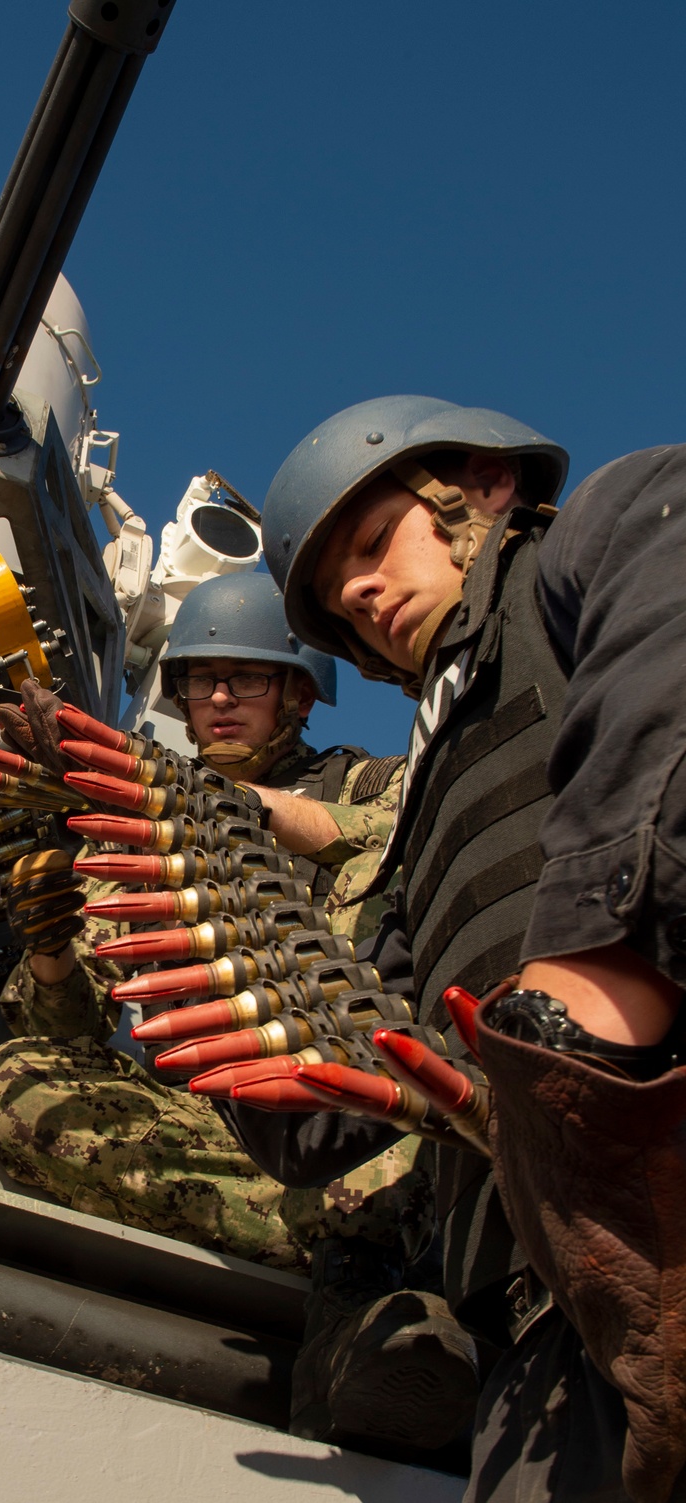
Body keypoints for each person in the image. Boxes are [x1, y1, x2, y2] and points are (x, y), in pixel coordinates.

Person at [214, 393, 686, 1501]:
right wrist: (192, 949)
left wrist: (584, 1013)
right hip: (534, 1328)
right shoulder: (424, 805)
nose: (364, 594)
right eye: (339, 598)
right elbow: (329, 1110)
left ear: (477, 488)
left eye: (375, 546)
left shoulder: (602, 532)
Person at [0, 571, 479, 1448]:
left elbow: (437, 809)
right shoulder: (127, 828)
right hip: (228, 1132)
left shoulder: (371, 784)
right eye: (202, 680)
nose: (218, 698)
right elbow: (77, 1028)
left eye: (245, 677)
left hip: (363, 1106)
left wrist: (261, 815)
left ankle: (379, 1223)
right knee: (15, 1084)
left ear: (296, 691)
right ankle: (342, 1225)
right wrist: (49, 940)